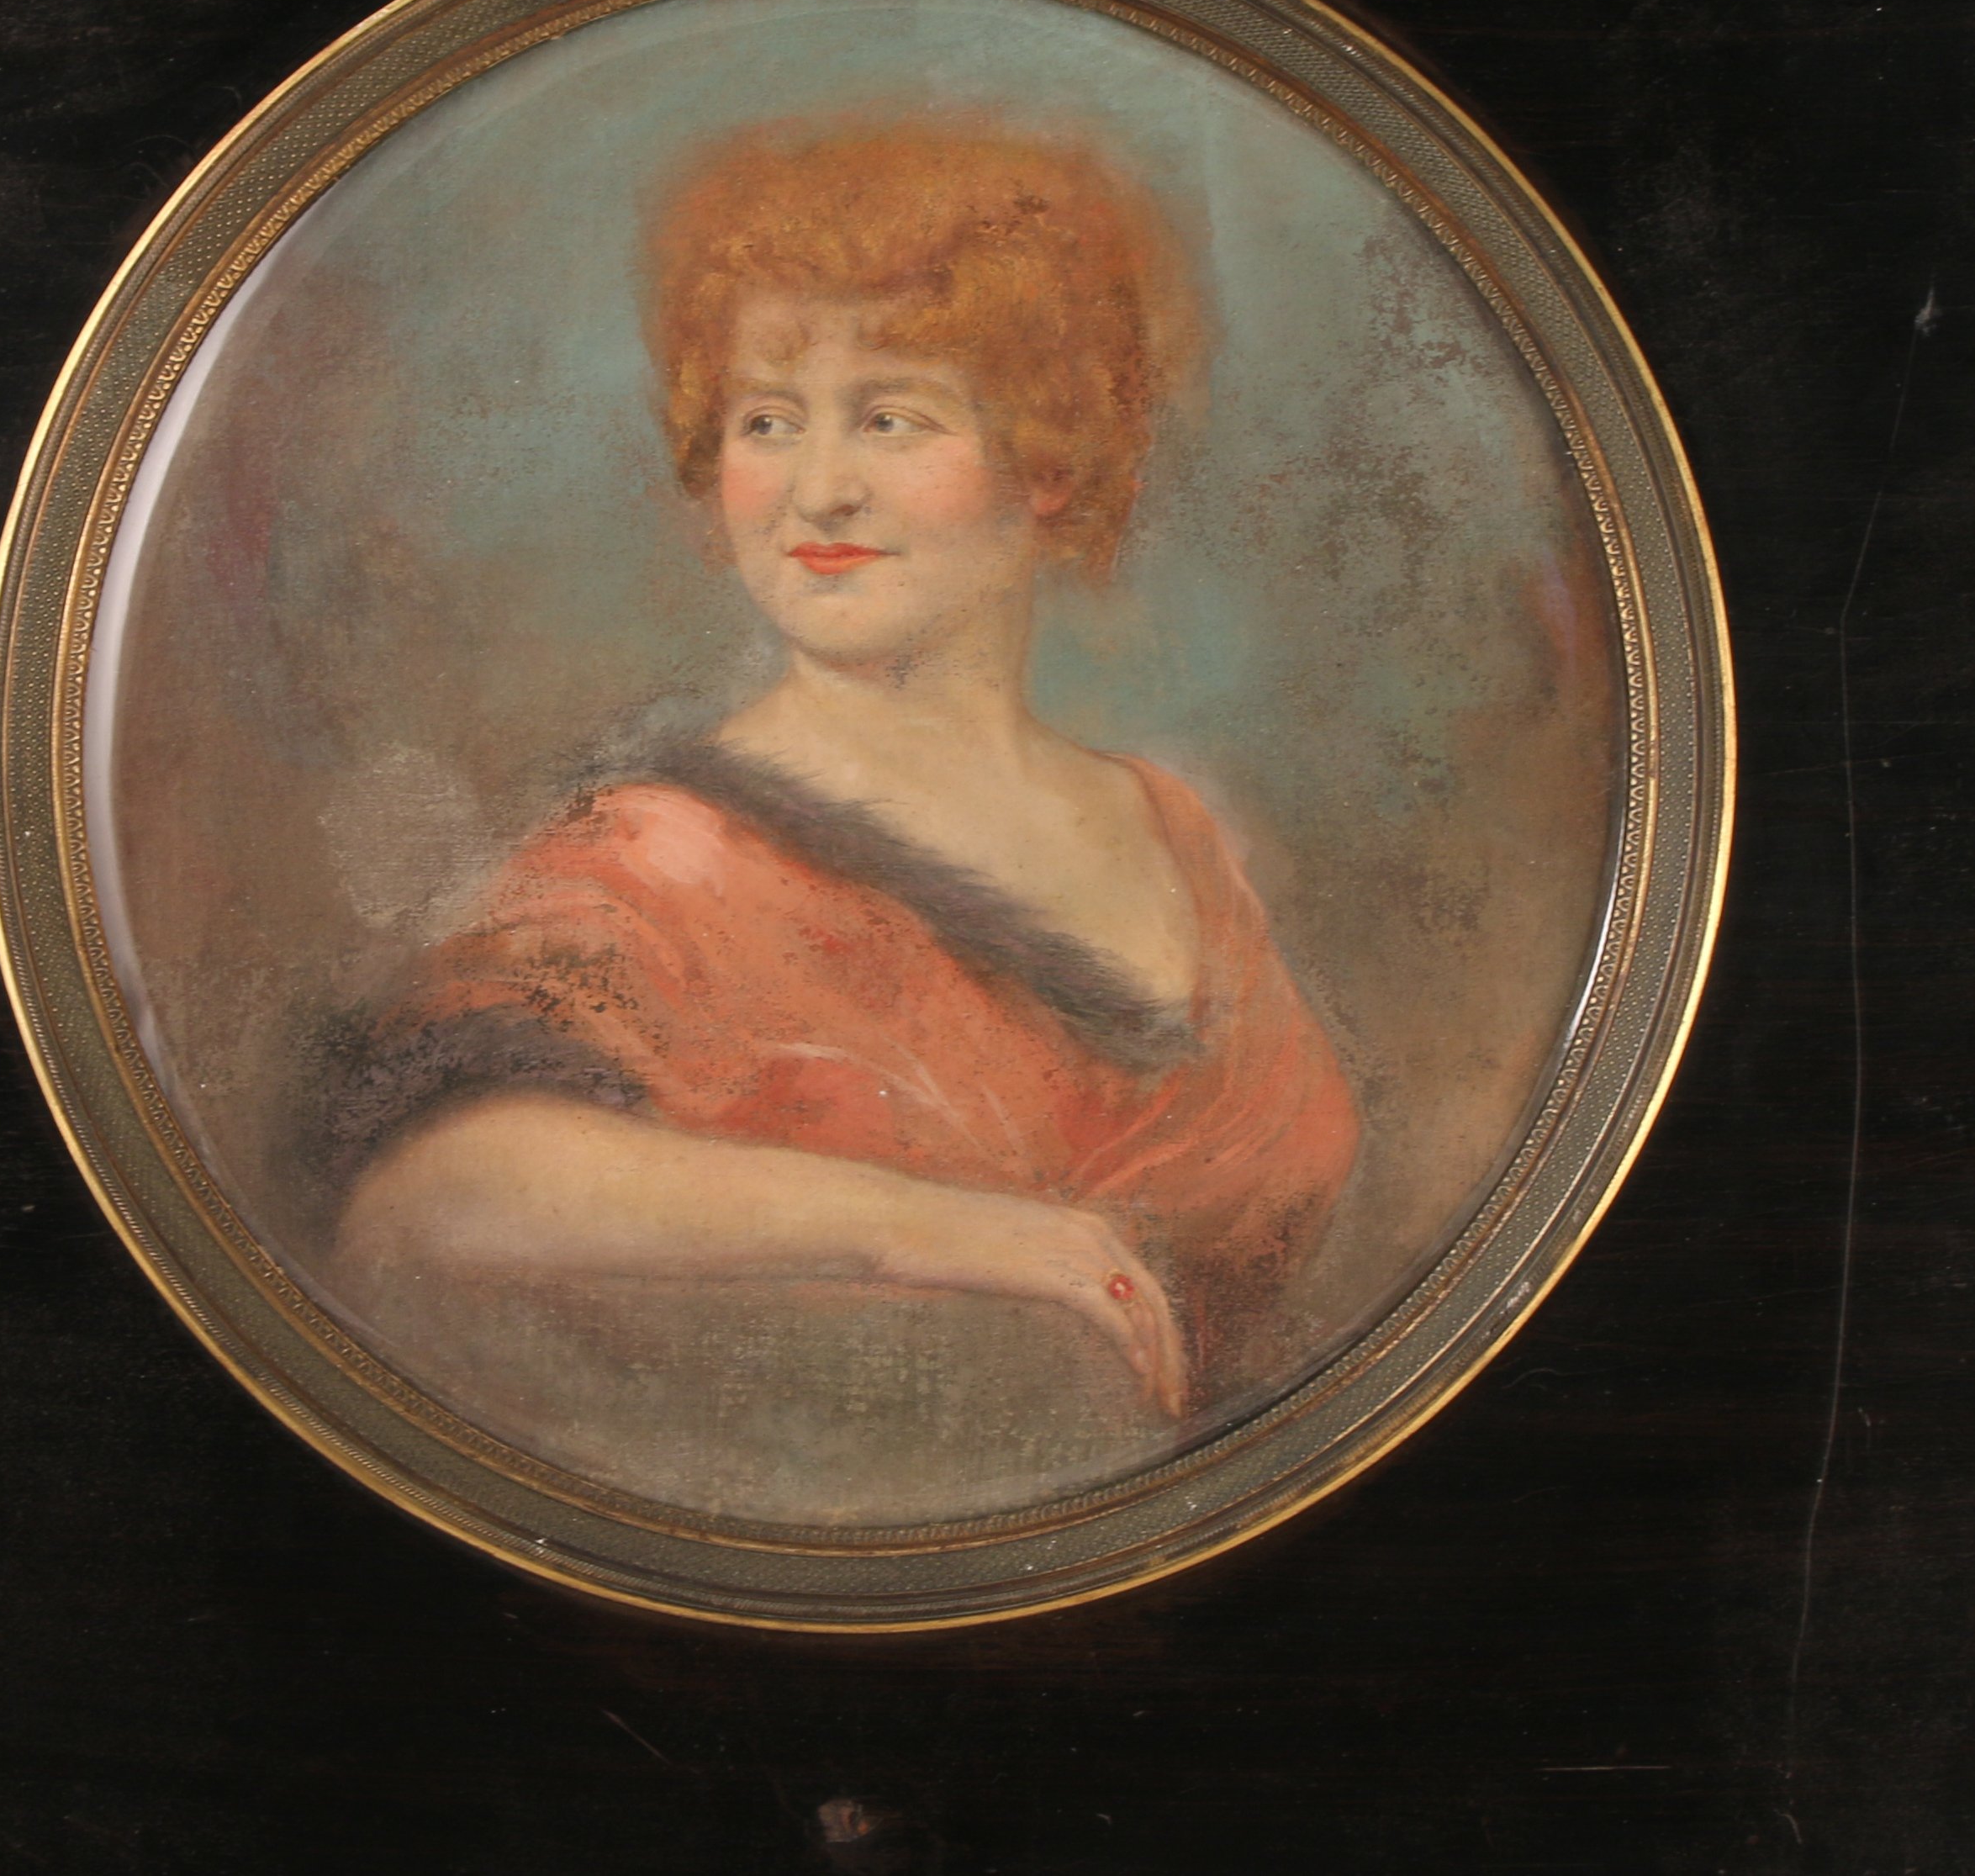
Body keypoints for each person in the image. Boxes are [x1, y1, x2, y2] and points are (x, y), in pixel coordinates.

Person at [325, 117, 1358, 1432]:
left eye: (889, 417)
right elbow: (426, 1195)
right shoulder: (653, 858)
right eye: (767, 419)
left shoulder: (1172, 829)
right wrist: (938, 1230)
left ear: (1045, 458)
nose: (817, 489)